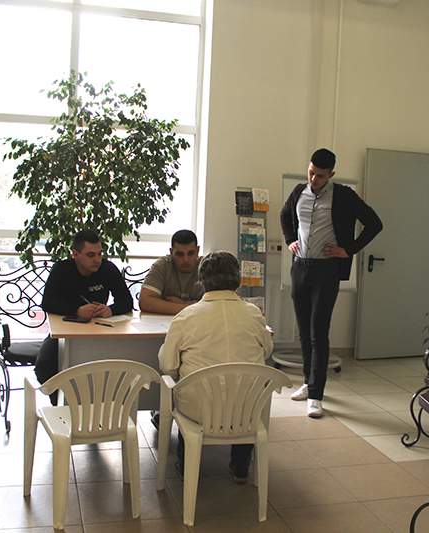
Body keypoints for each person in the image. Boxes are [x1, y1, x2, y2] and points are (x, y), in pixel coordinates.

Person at [280, 148, 383, 418]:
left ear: (331, 174)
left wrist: (348, 250)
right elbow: (285, 215)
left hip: (326, 271)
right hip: (300, 268)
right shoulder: (299, 192)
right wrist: (290, 240)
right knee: (304, 331)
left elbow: (374, 223)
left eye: (320, 176)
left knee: (319, 333)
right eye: (311, 173)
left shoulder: (344, 196)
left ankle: (316, 395)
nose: (313, 179)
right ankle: (308, 382)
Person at [158, 251, 273, 483]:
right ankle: (240, 466)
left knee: (189, 396)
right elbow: (267, 351)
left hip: (200, 409)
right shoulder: (253, 314)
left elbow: (167, 366)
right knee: (244, 399)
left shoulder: (186, 316)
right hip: (246, 407)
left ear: (204, 283)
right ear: (237, 281)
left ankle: (186, 464)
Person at [35, 230, 133, 403]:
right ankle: (61, 403)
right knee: (44, 365)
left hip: (101, 332)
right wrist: (77, 310)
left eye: (100, 254)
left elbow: (127, 301)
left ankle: (105, 405)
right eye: (90, 255)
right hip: (64, 333)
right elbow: (47, 303)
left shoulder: (107, 269)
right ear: (75, 254)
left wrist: (110, 310)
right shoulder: (62, 270)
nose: (97, 259)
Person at [139, 229, 205, 315]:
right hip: (164, 322)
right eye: (180, 254)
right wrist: (192, 306)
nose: (186, 259)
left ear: (197, 251)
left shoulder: (207, 267)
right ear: (171, 252)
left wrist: (182, 303)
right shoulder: (162, 266)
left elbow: (218, 304)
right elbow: (145, 302)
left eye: (190, 253)